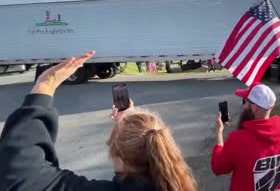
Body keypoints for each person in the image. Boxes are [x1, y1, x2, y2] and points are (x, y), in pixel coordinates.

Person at [0, 51, 198, 191]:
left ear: (118, 157)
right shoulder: (180, 183)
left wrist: (45, 83)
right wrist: (130, 125)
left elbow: (19, 175)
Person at [211, 82, 280, 191]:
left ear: (254, 107)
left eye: (245, 102)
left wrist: (219, 132)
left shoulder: (237, 140)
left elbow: (218, 167)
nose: (243, 106)